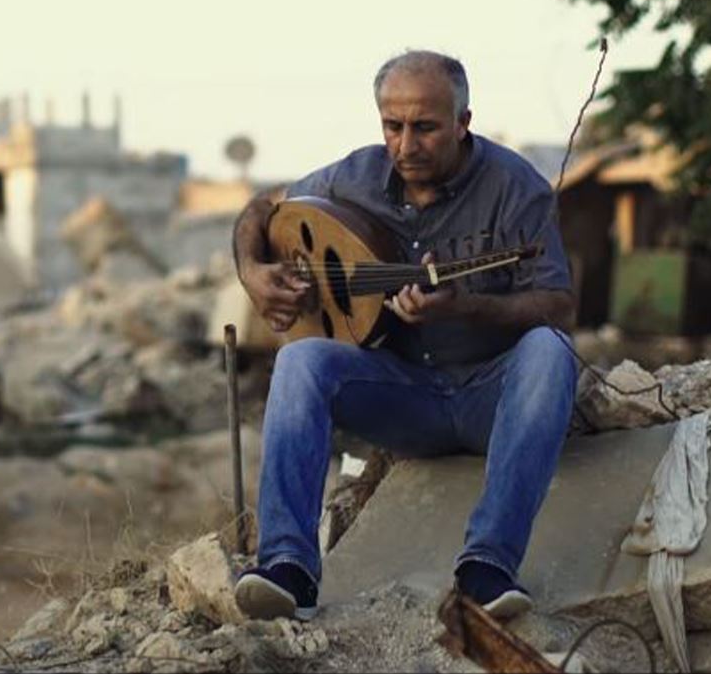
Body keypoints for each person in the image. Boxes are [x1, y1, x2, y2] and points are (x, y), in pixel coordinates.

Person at [230, 50, 578, 622]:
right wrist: (252, 271)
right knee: (302, 361)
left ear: (464, 122)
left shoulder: (517, 187)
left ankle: (487, 566)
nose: (406, 145)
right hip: (403, 396)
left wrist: (466, 308)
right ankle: (288, 567)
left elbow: (559, 305)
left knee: (550, 349)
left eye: (425, 128)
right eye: (393, 126)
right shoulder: (355, 177)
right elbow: (262, 207)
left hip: (491, 396)